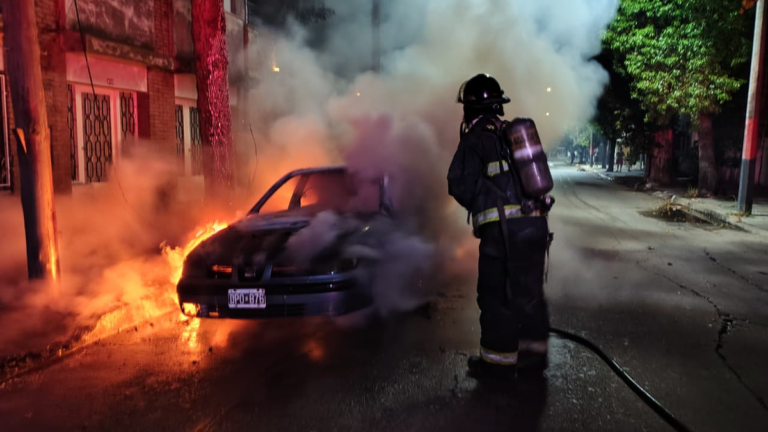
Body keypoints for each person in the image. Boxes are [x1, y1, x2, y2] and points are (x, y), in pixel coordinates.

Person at [447, 74, 553, 381]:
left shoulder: (475, 138)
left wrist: (482, 201)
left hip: (504, 234)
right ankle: (533, 361)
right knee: (530, 295)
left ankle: (497, 367)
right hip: (535, 226)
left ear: (468, 107)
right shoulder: (513, 134)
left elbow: (457, 184)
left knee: (496, 297)